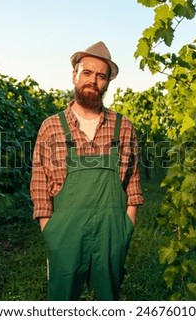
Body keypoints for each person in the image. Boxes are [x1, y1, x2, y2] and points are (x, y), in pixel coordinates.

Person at [30, 41, 144, 301]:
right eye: (87, 73)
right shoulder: (51, 127)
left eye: (101, 76)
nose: (93, 80)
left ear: (107, 83)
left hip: (111, 232)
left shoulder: (123, 126)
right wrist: (50, 232)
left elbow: (133, 182)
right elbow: (39, 184)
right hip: (65, 234)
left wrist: (126, 227)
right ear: (75, 75)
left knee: (109, 302)